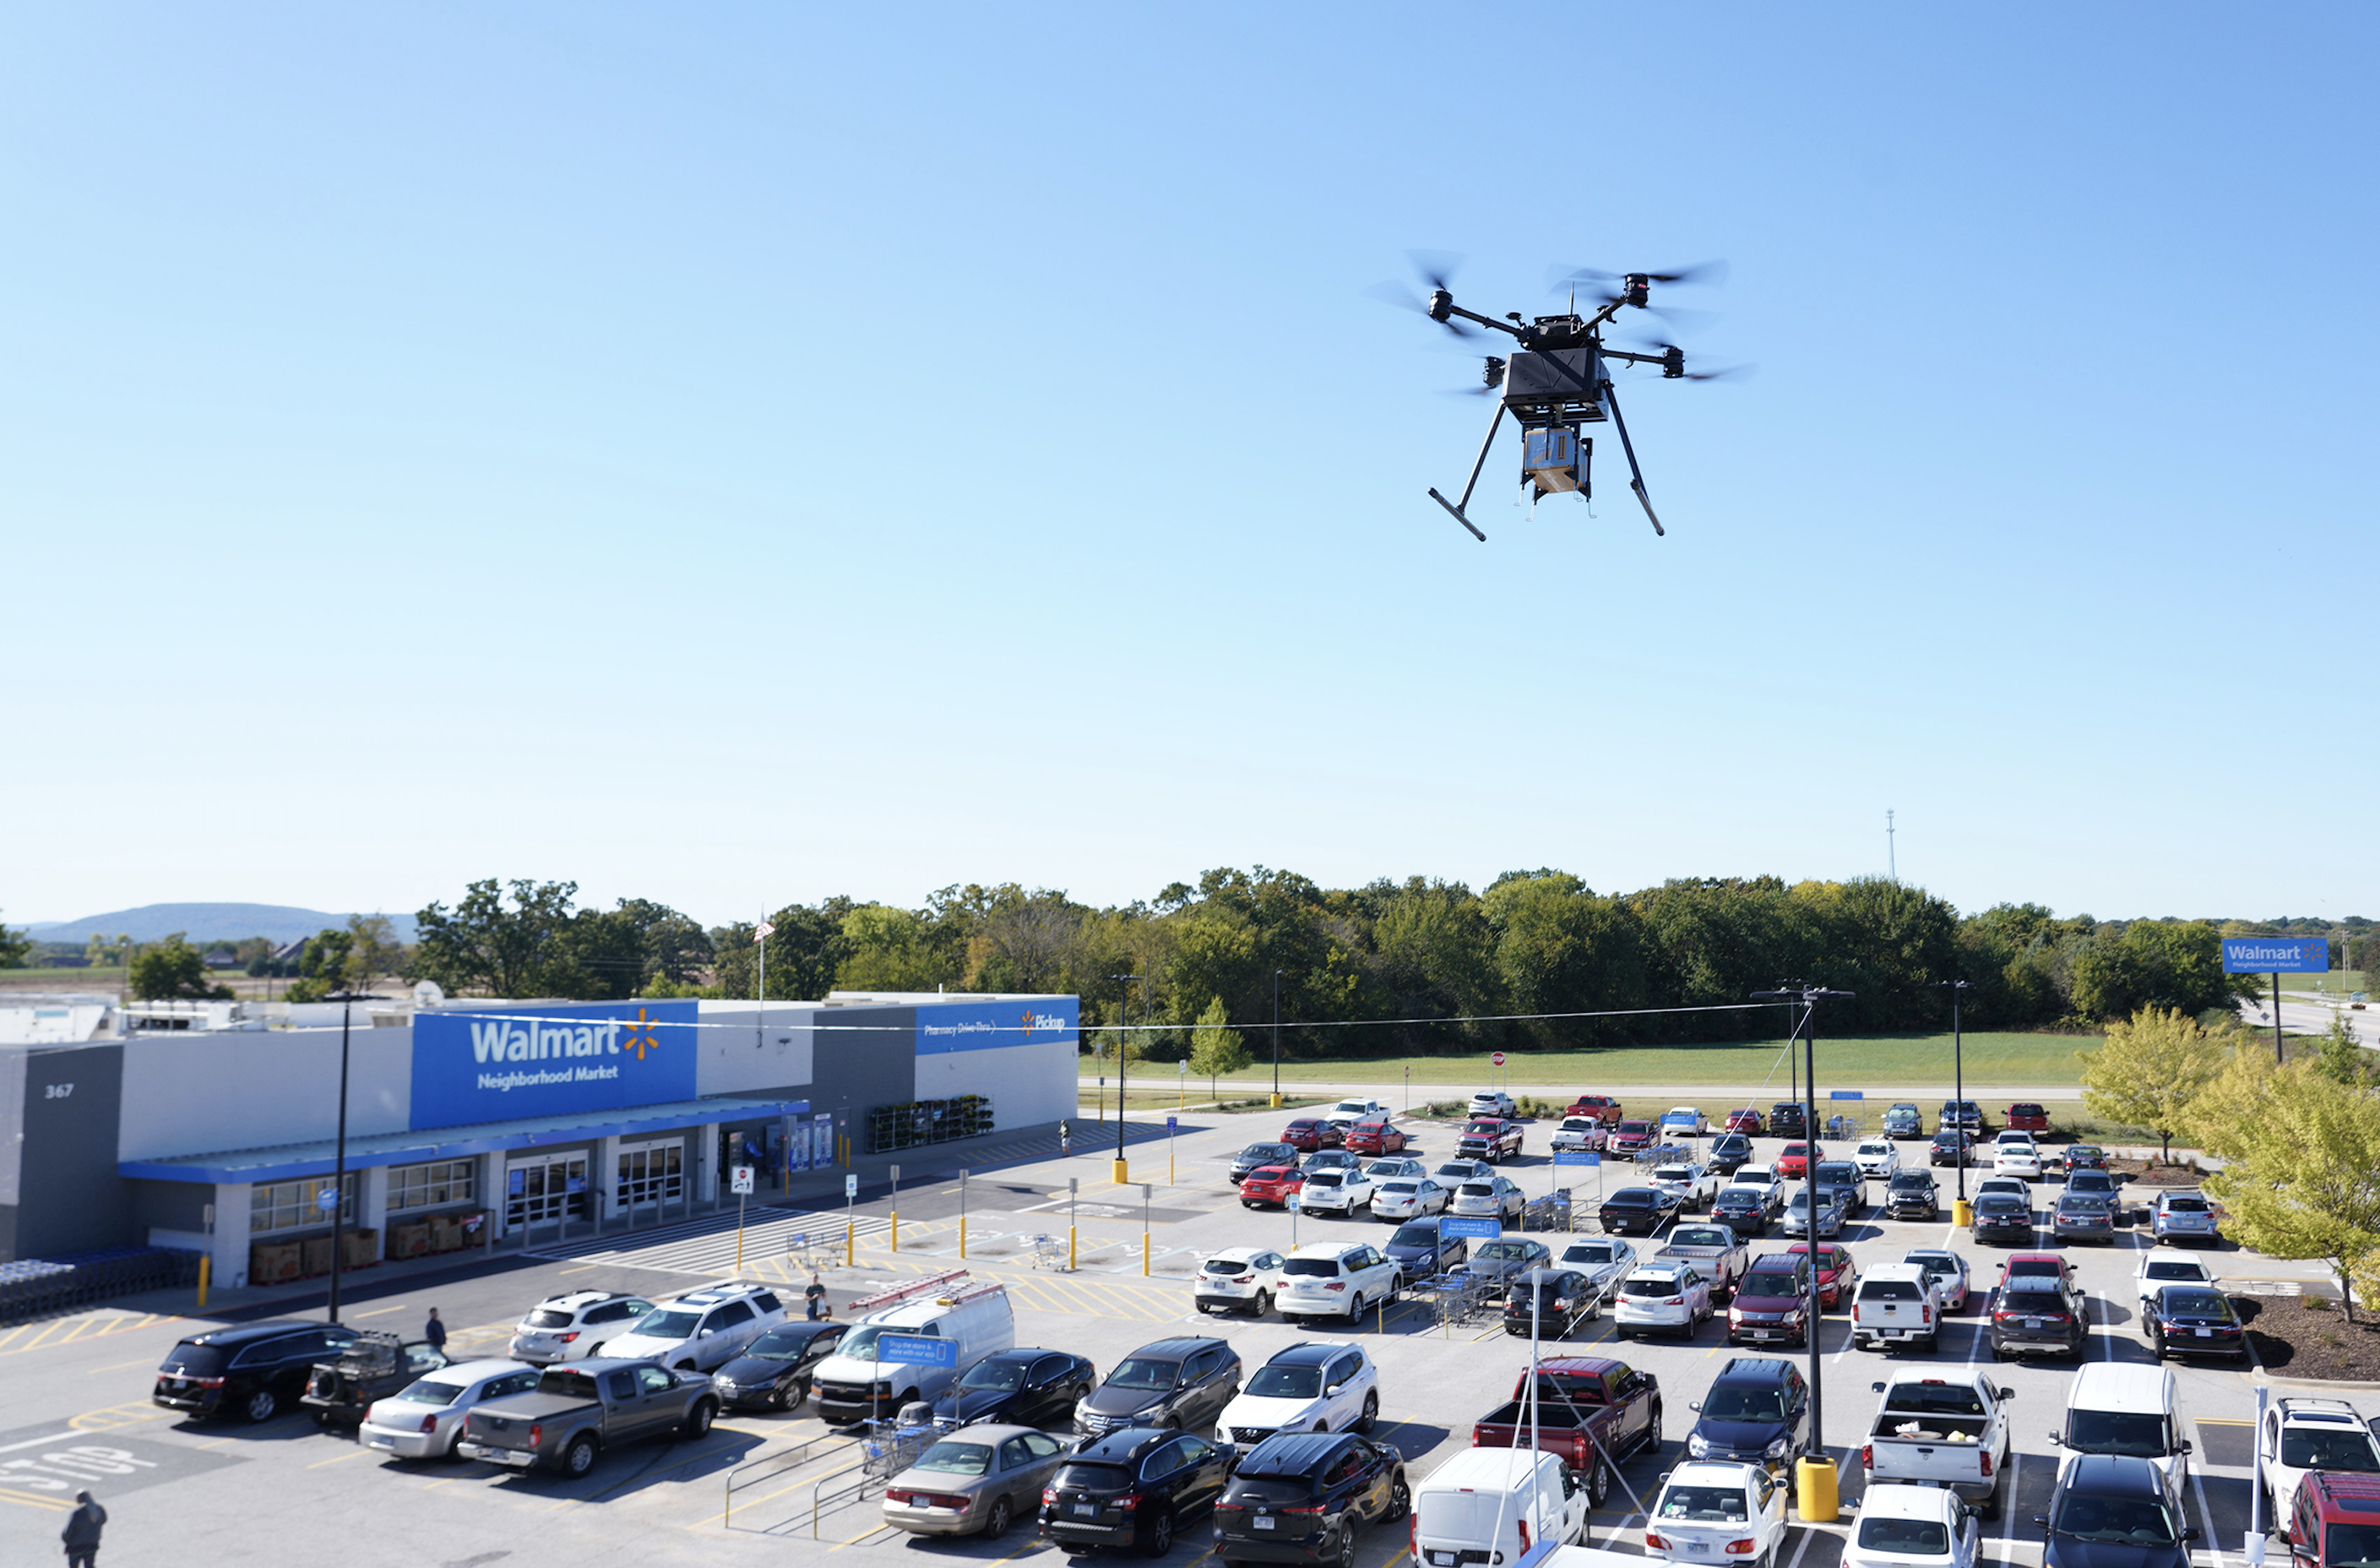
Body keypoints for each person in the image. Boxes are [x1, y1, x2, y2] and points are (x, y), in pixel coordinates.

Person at [62, 1489, 105, 1568]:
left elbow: (68, 1532)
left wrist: (66, 1539)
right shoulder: (99, 1510)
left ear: (80, 1499)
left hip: (76, 1547)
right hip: (92, 1545)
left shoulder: (78, 1513)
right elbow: (104, 1520)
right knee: (89, 1566)